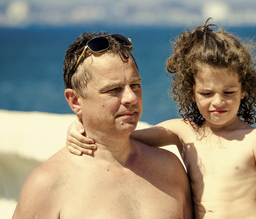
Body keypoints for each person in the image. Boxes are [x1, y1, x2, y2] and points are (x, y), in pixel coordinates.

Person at [67, 19, 256, 219]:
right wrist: (81, 127)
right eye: (207, 93)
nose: (218, 102)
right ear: (192, 93)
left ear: (244, 90)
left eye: (229, 92)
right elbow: (122, 137)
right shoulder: (184, 131)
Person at [12, 32, 193, 218]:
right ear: (75, 101)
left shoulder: (169, 168)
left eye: (135, 85)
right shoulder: (48, 184)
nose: (131, 98)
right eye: (114, 89)